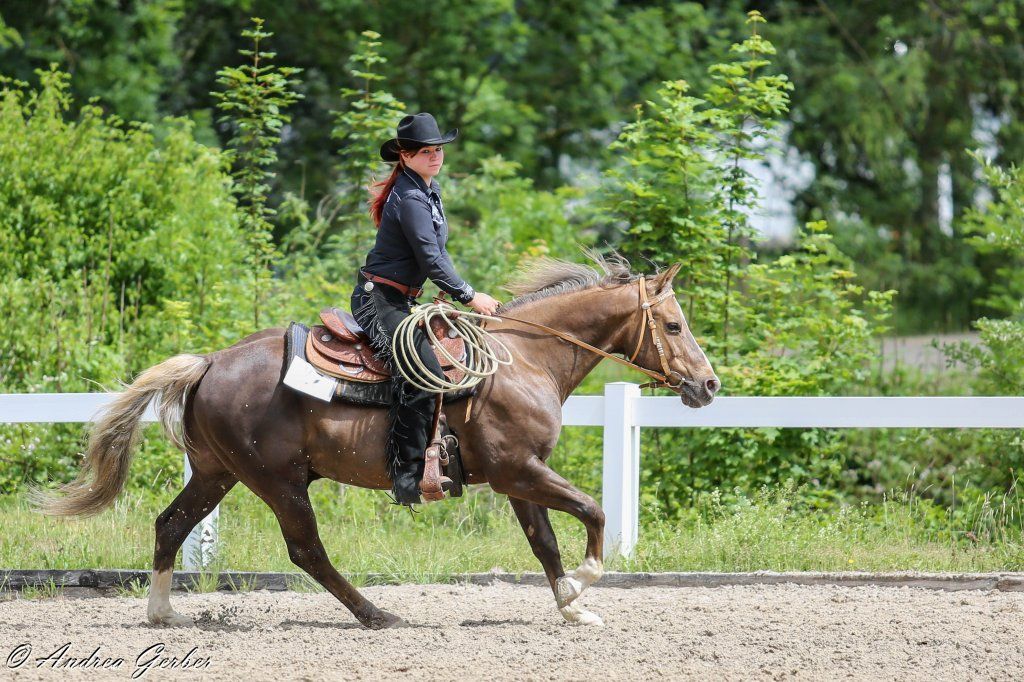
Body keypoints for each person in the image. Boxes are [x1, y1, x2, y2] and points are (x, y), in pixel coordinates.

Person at [350, 112, 500, 505]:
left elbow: (437, 256)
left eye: (438, 150)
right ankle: (407, 474)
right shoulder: (411, 197)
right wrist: (469, 295)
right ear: (404, 155)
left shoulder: (426, 191)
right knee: (422, 371)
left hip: (401, 299)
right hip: (377, 299)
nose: (434, 156)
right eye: (424, 151)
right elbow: (432, 258)